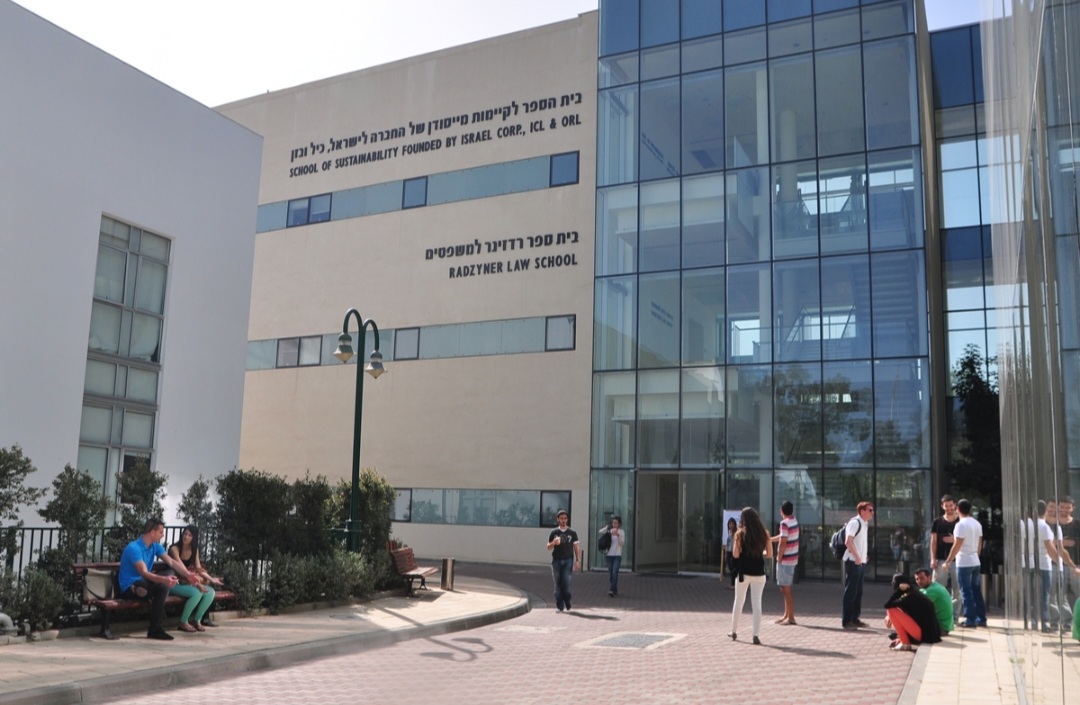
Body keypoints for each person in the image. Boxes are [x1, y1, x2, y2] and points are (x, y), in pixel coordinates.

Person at [118, 518, 200, 640]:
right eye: (161, 532)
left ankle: (155, 629)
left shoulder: (155, 546)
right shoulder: (134, 548)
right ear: (152, 532)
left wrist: (188, 575)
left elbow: (171, 562)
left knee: (163, 586)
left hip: (145, 582)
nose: (163, 535)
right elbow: (144, 573)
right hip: (128, 586)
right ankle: (137, 589)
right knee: (146, 583)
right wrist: (163, 579)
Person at [728, 506, 773, 645]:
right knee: (757, 602)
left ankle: (733, 631)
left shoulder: (740, 534)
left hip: (744, 573)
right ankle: (756, 635)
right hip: (759, 573)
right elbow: (770, 554)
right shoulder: (764, 534)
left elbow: (735, 554)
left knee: (739, 601)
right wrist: (759, 553)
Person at [167, 525, 225, 632]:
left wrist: (211, 579)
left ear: (193, 538)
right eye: (185, 534)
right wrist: (198, 585)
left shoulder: (194, 549)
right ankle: (183, 621)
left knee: (210, 592)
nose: (186, 537)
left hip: (186, 582)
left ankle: (197, 620)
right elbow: (183, 570)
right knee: (197, 593)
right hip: (173, 582)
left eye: (190, 535)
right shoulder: (174, 549)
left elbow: (198, 568)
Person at [943, 498, 986, 628]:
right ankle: (981, 618)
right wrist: (975, 555)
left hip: (964, 562)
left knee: (966, 591)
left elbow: (957, 545)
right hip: (975, 561)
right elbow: (980, 544)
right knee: (976, 590)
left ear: (957, 509)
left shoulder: (960, 525)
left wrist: (948, 561)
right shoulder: (977, 524)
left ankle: (970, 619)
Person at [883, 573, 942, 652]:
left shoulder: (908, 596)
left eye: (893, 583)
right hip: (930, 635)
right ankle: (903, 639)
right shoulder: (912, 591)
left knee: (891, 610)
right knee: (893, 610)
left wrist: (898, 590)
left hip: (925, 636)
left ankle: (905, 643)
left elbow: (887, 605)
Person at [842, 501, 874, 629]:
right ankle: (847, 620)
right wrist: (857, 557)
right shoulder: (855, 523)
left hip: (860, 561)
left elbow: (859, 542)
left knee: (858, 592)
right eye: (870, 510)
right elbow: (848, 541)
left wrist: (863, 556)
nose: (872, 513)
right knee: (851, 591)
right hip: (853, 561)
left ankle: (855, 618)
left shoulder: (864, 523)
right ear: (862, 511)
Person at [546, 509, 580, 612]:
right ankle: (560, 604)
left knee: (566, 583)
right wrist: (553, 543)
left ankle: (567, 600)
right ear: (558, 519)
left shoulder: (572, 532)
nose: (563, 520)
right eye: (561, 518)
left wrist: (578, 560)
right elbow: (548, 547)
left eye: (565, 518)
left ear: (567, 519)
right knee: (557, 584)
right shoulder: (554, 532)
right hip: (556, 560)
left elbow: (576, 546)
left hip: (568, 560)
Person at [929, 494, 960, 610]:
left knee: (957, 590)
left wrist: (954, 540)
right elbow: (933, 541)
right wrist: (933, 558)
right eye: (946, 506)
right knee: (937, 588)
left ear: (955, 505)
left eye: (951, 505)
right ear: (942, 506)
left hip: (958, 560)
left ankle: (954, 616)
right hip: (941, 559)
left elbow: (967, 540)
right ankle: (938, 613)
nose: (949, 508)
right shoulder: (937, 522)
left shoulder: (960, 521)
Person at [772, 500, 799, 625]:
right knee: (785, 588)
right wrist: (770, 539)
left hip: (786, 560)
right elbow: (782, 537)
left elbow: (783, 542)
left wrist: (779, 557)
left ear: (781, 511)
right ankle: (787, 614)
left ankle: (791, 617)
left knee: (786, 589)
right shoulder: (794, 521)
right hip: (792, 559)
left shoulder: (784, 523)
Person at [914, 567, 954, 634]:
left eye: (922, 578)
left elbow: (916, 607)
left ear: (929, 577)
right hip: (943, 626)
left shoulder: (932, 590)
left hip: (941, 628)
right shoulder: (932, 586)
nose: (919, 581)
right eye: (917, 579)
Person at [598, 516, 625, 597]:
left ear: (619, 524)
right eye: (613, 523)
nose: (614, 524)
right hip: (609, 555)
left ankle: (612, 590)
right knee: (611, 574)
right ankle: (614, 588)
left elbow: (622, 543)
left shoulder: (621, 532)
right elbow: (600, 531)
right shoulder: (610, 531)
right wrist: (607, 528)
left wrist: (618, 535)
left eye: (616, 523)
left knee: (615, 572)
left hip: (617, 555)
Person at [724, 517, 738, 590]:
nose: (731, 525)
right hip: (729, 552)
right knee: (730, 568)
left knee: (733, 569)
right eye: (730, 524)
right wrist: (726, 552)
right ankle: (733, 583)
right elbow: (728, 543)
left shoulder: (736, 533)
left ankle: (734, 584)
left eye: (732, 524)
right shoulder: (729, 533)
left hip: (733, 552)